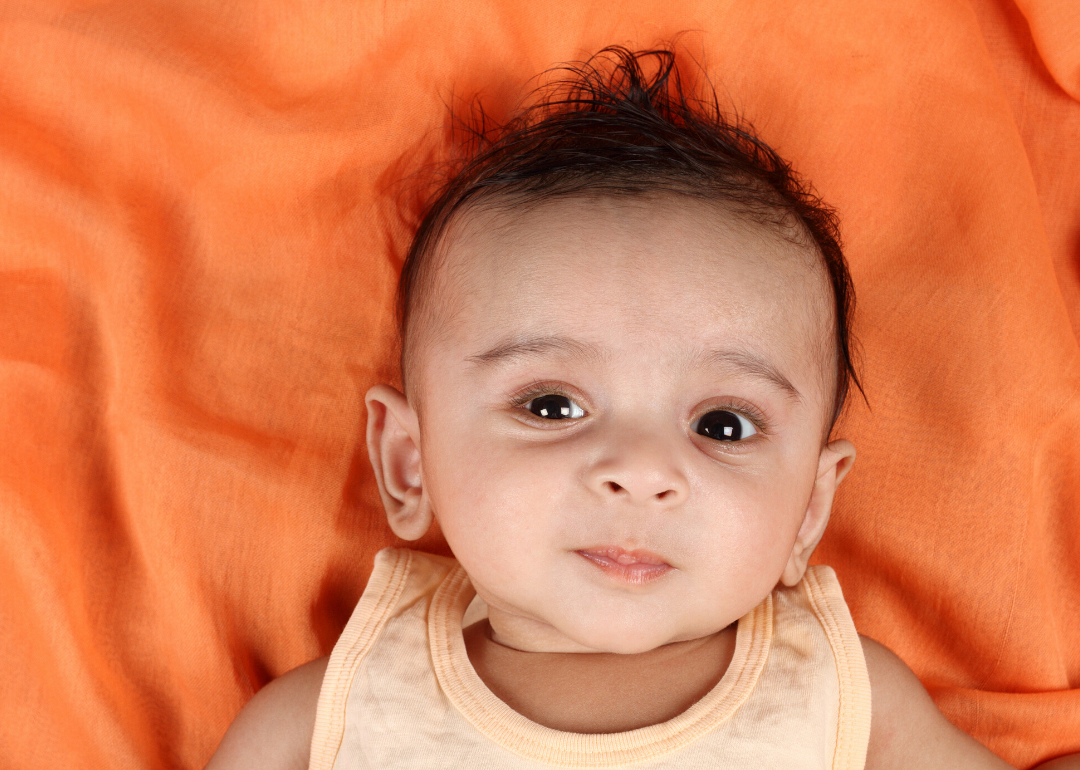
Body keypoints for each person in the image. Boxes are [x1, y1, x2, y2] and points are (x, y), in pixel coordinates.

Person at [206, 45, 1080, 770]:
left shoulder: (840, 694)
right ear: (408, 461)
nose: (641, 471)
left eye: (722, 425)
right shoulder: (334, 713)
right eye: (551, 405)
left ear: (810, 507)